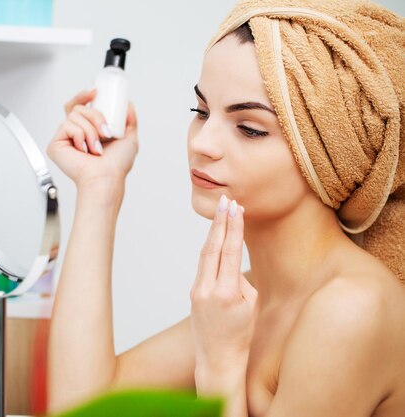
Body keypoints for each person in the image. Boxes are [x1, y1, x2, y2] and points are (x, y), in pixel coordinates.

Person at [46, 1, 405, 416]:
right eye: (201, 111)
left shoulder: (351, 309)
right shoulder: (252, 297)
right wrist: (99, 189)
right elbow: (84, 408)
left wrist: (220, 367)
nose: (202, 143)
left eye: (250, 128)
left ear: (329, 156)